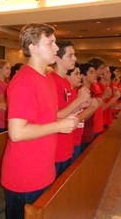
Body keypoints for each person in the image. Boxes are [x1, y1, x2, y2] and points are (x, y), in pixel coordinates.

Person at [0, 23, 78, 219]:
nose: (56, 48)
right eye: (50, 43)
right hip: (24, 173)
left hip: (43, 167)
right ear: (33, 48)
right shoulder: (24, 81)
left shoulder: (48, 79)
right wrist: (59, 126)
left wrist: (64, 118)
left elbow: (49, 116)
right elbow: (17, 133)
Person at [50, 40, 91, 177]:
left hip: (67, 144)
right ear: (57, 58)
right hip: (56, 147)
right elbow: (55, 115)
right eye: (70, 55)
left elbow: (66, 111)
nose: (75, 58)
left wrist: (80, 105)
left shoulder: (65, 82)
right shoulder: (52, 81)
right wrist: (78, 101)